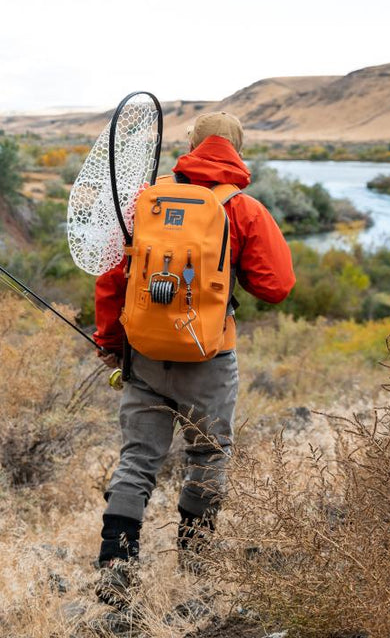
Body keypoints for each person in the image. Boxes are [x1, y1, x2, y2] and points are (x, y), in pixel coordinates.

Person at [91, 111, 295, 606]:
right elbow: (277, 286)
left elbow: (112, 278)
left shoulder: (148, 201)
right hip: (209, 357)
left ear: (192, 145)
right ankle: (197, 566)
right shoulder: (241, 208)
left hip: (143, 353)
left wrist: (110, 342)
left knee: (139, 458)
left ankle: (117, 566)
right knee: (207, 454)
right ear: (237, 150)